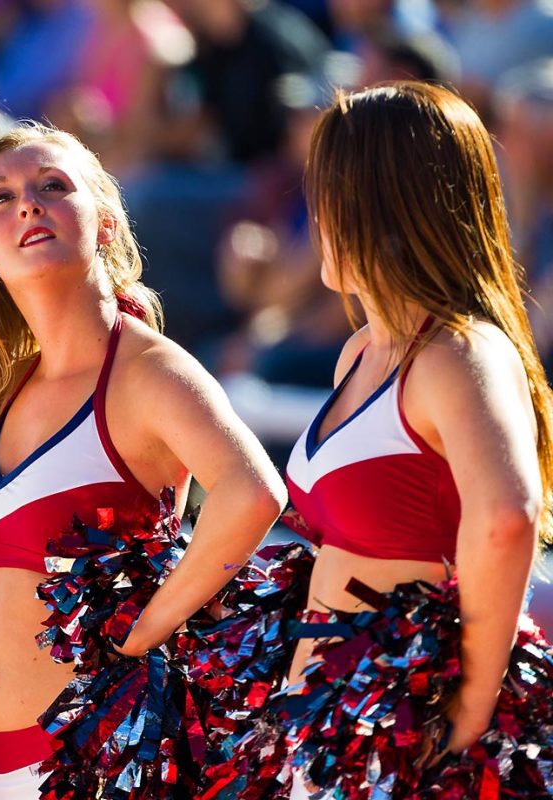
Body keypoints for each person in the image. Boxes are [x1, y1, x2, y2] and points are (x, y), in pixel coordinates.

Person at [0, 124, 285, 797]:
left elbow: (253, 493)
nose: (28, 204)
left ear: (106, 224)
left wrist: (143, 634)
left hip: (85, 767)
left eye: (53, 187)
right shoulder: (13, 388)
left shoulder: (148, 371)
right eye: (0, 198)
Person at [280, 81, 553, 798]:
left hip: (409, 743)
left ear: (386, 203)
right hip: (331, 731)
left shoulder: (459, 353)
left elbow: (506, 517)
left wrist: (467, 714)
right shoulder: (360, 353)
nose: (316, 221)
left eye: (330, 195)